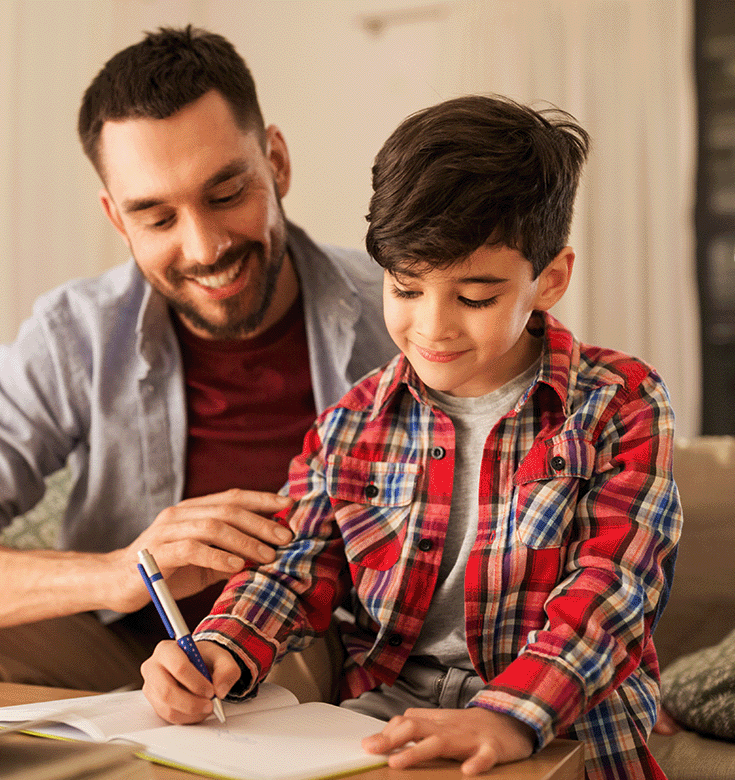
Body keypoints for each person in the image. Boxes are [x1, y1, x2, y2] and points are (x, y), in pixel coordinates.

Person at [140, 95, 682, 779]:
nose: (434, 327)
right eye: (406, 288)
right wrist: (220, 646)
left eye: (475, 297)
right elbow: (293, 566)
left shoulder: (620, 404)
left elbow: (613, 590)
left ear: (549, 280)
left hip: (562, 726)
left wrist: (509, 714)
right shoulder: (350, 426)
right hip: (384, 728)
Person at [0, 26, 395, 698]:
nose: (204, 247)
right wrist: (124, 573)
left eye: (225, 194)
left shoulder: (403, 313)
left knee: (297, 667)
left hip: (306, 650)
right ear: (117, 218)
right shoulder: (76, 335)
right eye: (157, 217)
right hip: (127, 653)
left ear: (275, 162)